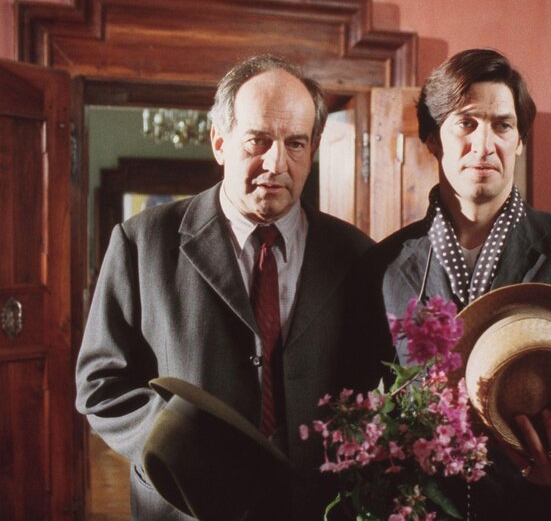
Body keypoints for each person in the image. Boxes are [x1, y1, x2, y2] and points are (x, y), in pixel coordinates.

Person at [357, 48, 551, 520]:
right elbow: (365, 401)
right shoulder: (383, 266)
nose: (484, 144)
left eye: (502, 125)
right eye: (466, 123)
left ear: (519, 141)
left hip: (546, 508)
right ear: (433, 138)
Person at [75, 54, 374, 520]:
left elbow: (374, 386)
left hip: (318, 507)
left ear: (313, 149)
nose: (276, 163)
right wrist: (182, 448)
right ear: (219, 141)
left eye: (296, 144)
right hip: (187, 506)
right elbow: (99, 386)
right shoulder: (141, 242)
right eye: (258, 140)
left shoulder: (355, 254)